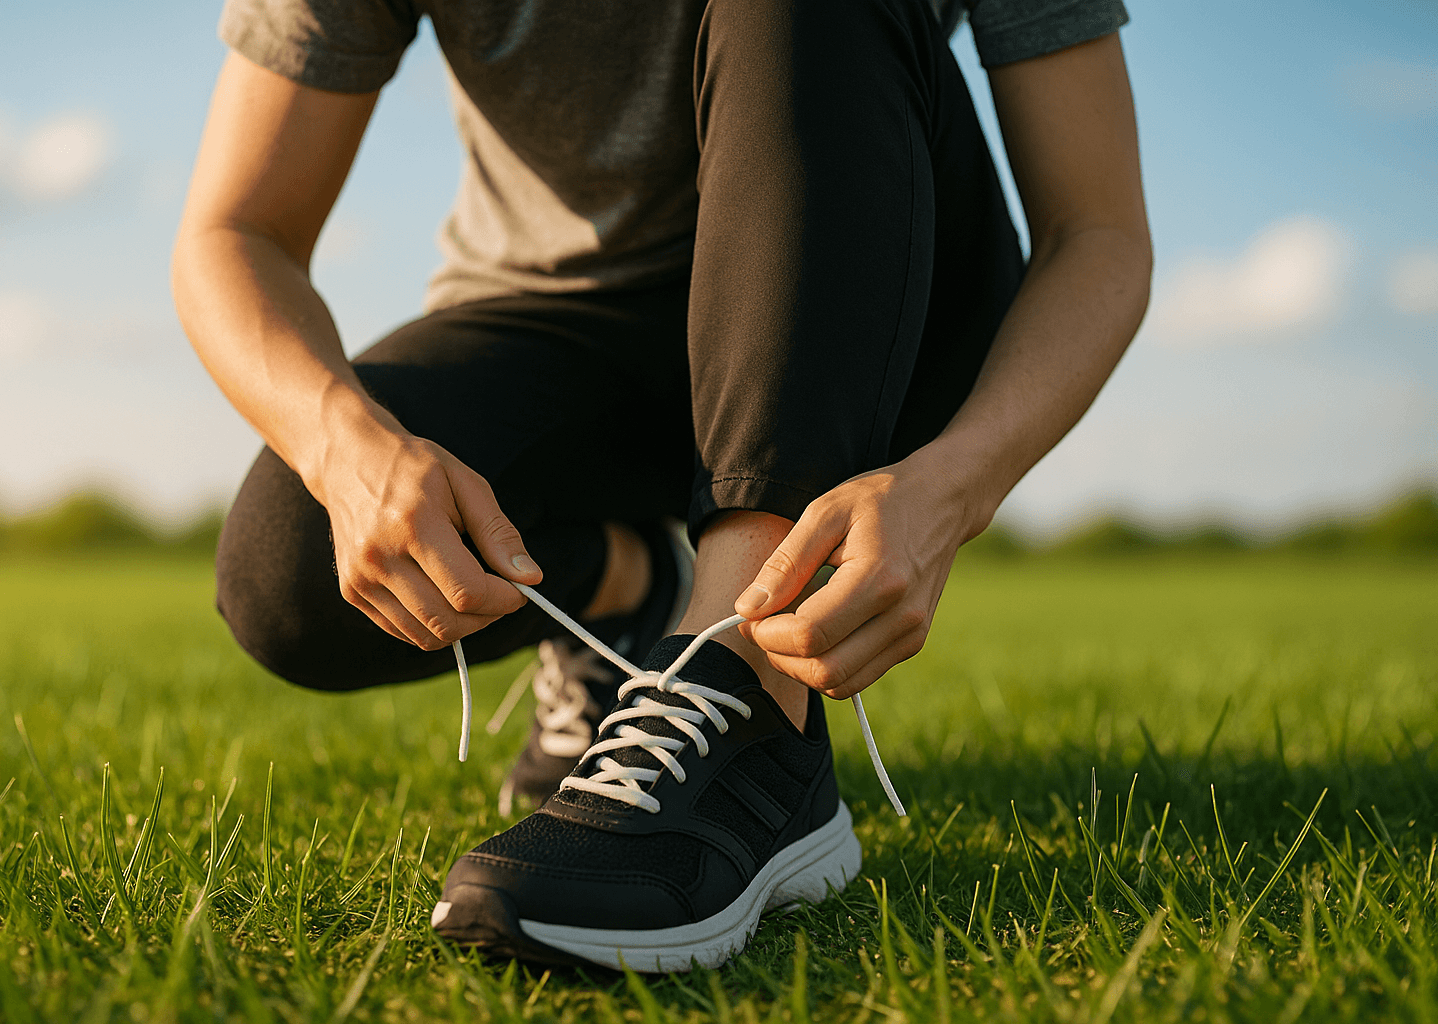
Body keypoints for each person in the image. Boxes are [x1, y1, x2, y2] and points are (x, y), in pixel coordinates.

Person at [172, 0, 1150, 971]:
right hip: (560, 322)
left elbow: (1097, 232)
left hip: (872, 288)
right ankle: (629, 590)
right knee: (288, 573)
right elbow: (236, 229)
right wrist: (345, 451)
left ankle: (743, 698)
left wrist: (958, 481)